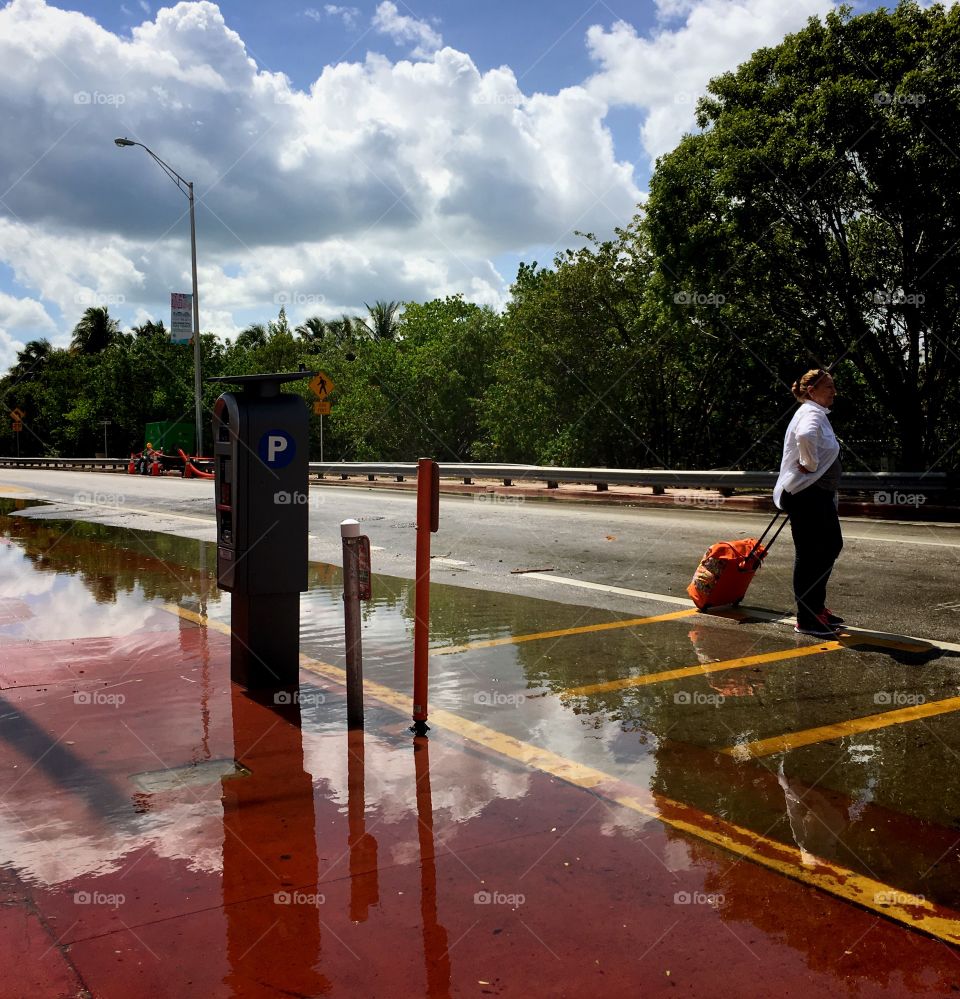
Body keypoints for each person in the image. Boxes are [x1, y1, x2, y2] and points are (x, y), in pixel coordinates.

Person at [773, 368, 845, 637]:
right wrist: (809, 463)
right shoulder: (811, 413)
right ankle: (807, 617)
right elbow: (804, 436)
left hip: (816, 496)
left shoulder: (816, 413)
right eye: (828, 387)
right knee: (812, 554)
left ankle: (816, 608)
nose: (833, 392)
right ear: (812, 391)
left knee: (828, 548)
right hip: (806, 496)